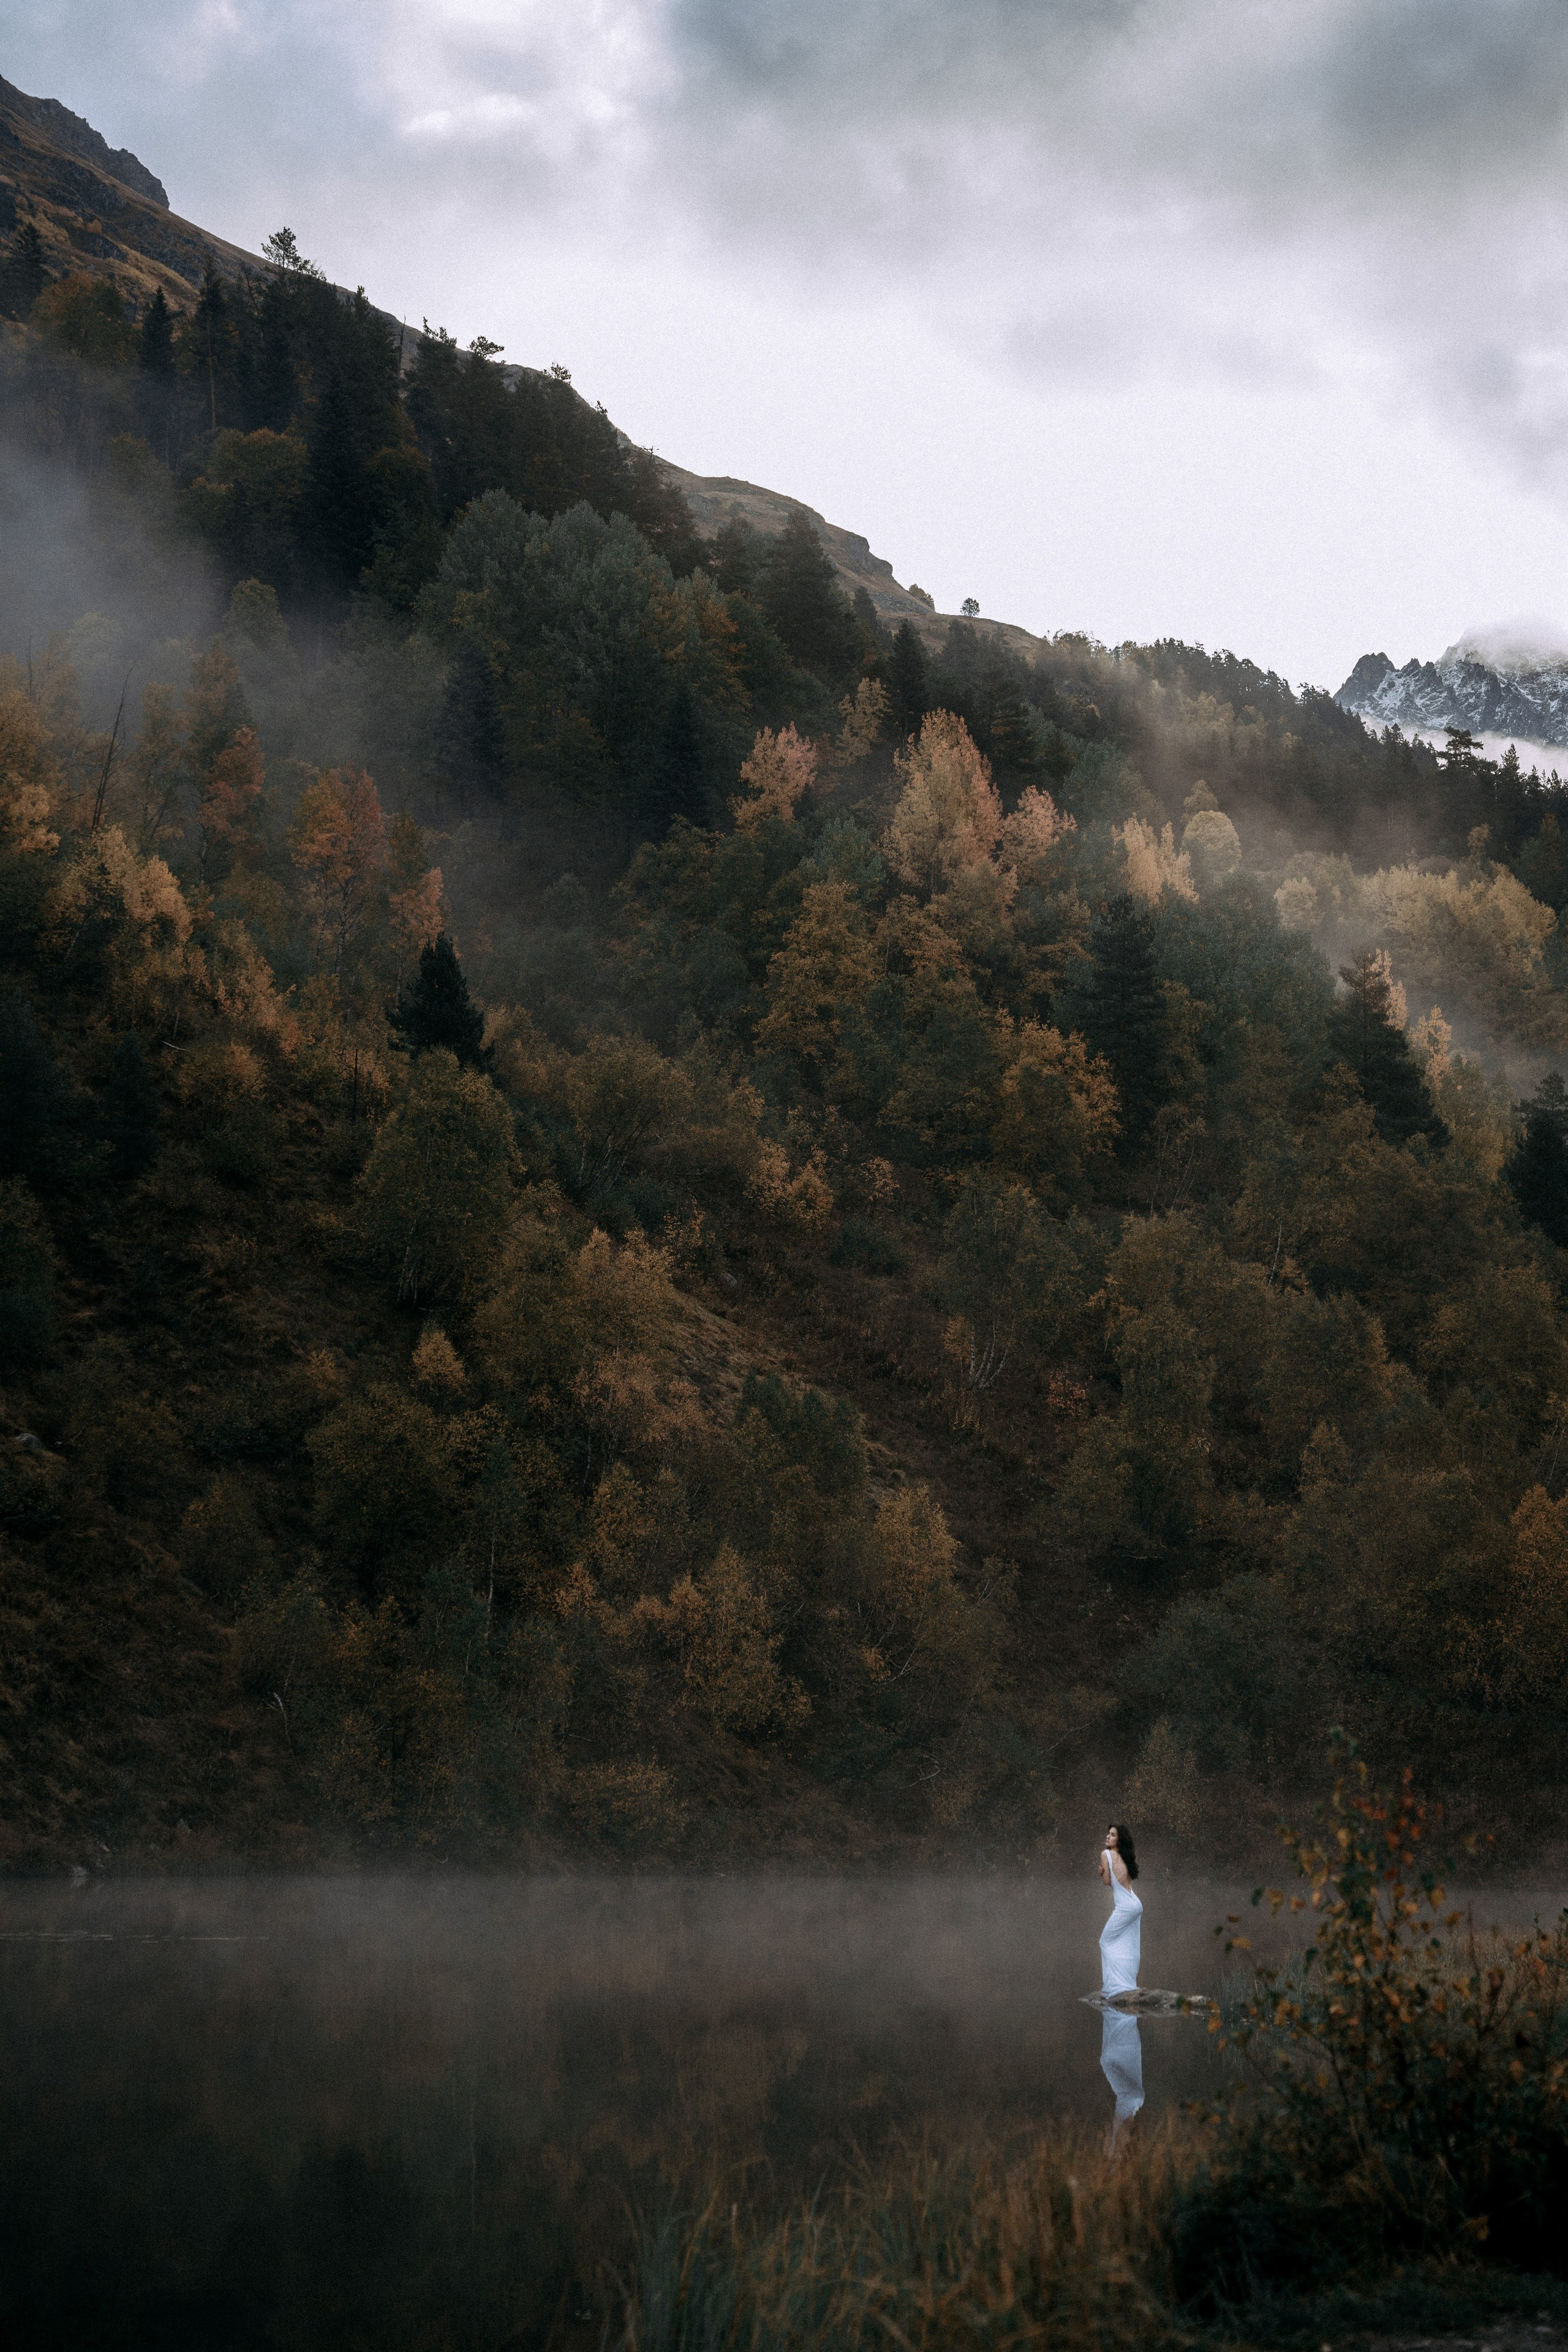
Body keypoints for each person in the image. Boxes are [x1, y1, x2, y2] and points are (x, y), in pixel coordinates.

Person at [1097, 1822, 1142, 1996]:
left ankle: (1116, 1986)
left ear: (1119, 1839)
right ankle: (1127, 1983)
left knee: (1105, 1942)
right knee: (1128, 1944)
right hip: (1136, 1904)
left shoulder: (1105, 1854)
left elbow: (1108, 1882)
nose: (1108, 1837)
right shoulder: (1126, 1857)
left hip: (1125, 1907)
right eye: (1108, 1834)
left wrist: (1102, 1873)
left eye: (1113, 1835)